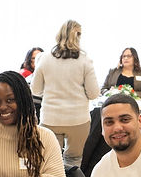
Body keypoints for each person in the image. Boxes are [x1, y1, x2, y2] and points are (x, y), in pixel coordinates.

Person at [31, 19, 101, 166]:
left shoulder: (44, 58)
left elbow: (35, 90)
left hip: (50, 118)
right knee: (74, 160)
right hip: (78, 119)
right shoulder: (85, 60)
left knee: (50, 160)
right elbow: (94, 93)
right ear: (79, 36)